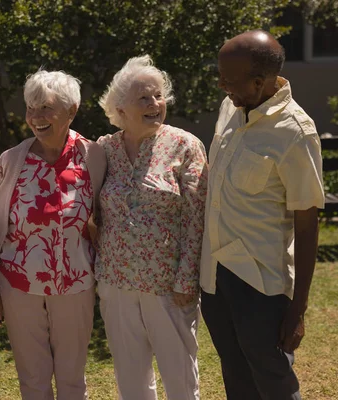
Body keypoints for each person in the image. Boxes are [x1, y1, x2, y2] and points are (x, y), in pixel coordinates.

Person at [199, 30, 325, 399]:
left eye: (230, 79)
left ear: (259, 82)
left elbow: (307, 223)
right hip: (215, 277)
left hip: (260, 285)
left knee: (273, 382)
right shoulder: (232, 107)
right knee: (235, 377)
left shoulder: (295, 133)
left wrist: (297, 309)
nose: (222, 86)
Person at [0, 69, 106, 400]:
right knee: (32, 379)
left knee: (72, 380)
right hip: (18, 285)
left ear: (72, 111)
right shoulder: (11, 161)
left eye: (46, 108)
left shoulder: (93, 156)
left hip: (76, 283)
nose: (36, 117)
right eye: (30, 108)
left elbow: (105, 215)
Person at [95, 55, 208, 400]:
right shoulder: (103, 149)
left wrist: (187, 278)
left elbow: (197, 217)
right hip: (115, 282)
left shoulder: (184, 145)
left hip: (168, 285)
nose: (155, 104)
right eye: (144, 97)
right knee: (130, 379)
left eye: (158, 96)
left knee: (180, 379)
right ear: (120, 108)